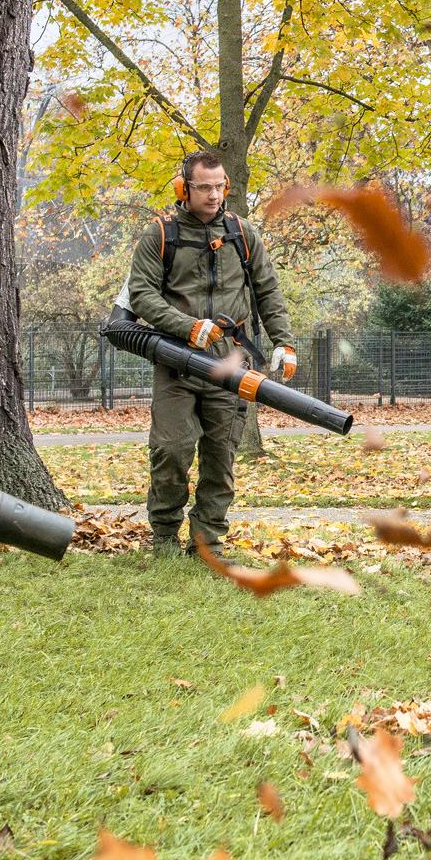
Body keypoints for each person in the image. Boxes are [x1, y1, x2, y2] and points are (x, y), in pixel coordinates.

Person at [126, 150, 296, 558]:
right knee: (171, 449)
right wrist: (187, 326)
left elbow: (267, 290)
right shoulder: (160, 234)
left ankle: (207, 542)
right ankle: (164, 536)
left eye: (220, 186)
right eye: (204, 187)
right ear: (183, 188)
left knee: (221, 457)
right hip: (177, 360)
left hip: (231, 363)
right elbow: (141, 294)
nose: (214, 195)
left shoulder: (242, 233)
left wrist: (284, 342)